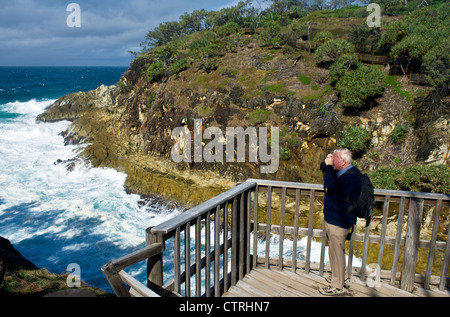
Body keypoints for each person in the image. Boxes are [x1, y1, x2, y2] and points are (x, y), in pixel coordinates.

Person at [319, 148, 362, 296]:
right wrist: (328, 163)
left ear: (343, 161)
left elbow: (330, 184)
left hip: (339, 221)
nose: (332, 162)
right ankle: (340, 277)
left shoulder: (352, 177)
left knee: (336, 252)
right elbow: (325, 171)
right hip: (334, 219)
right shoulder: (343, 173)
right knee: (334, 251)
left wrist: (330, 167)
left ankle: (337, 286)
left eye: (335, 160)